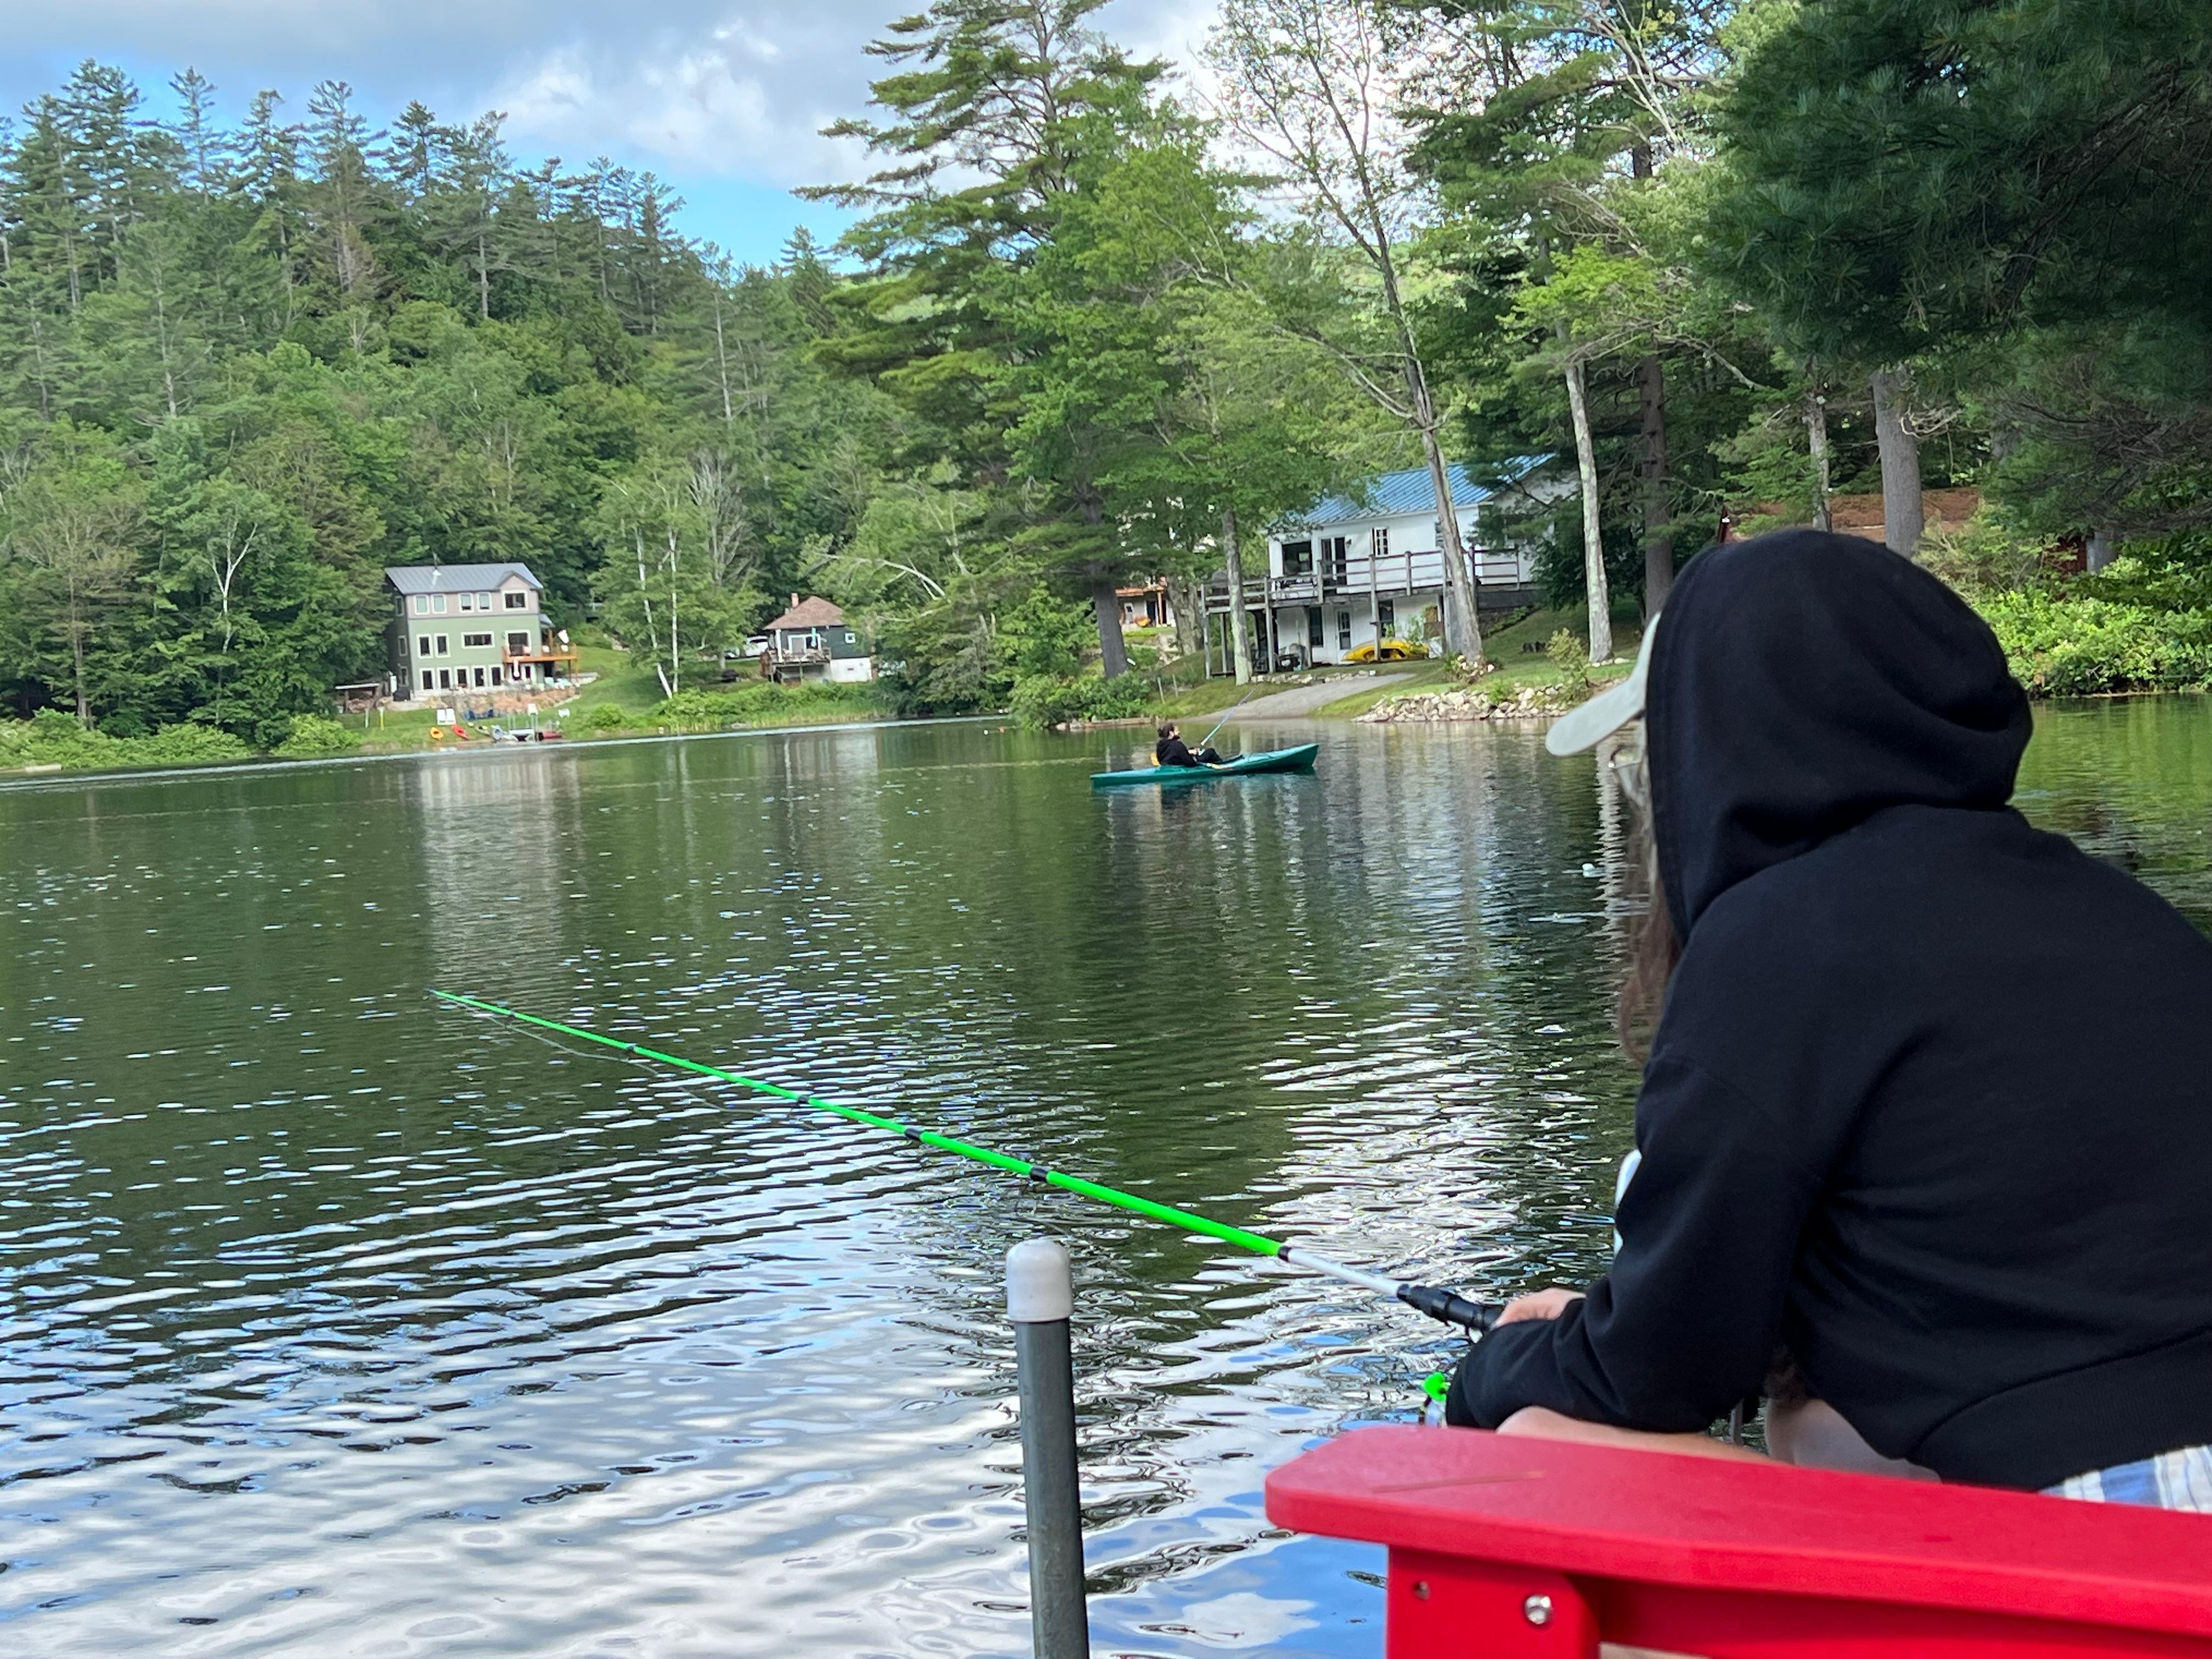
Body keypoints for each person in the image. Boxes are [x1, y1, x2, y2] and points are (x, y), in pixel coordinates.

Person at [1446, 529, 2212, 1509]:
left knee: (1535, 1437)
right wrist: (1595, 1327)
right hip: (2127, 1443)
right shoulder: (2118, 907)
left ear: (1724, 753)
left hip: (2126, 1538)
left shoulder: (1779, 941)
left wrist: (1504, 1363)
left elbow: (1656, 1372)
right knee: (1812, 1423)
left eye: (1650, 764)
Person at [1155, 723, 1223, 768]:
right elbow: (1191, 763)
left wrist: (1189, 752)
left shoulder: (1159, 745)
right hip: (1180, 766)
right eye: (1177, 731)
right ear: (1171, 733)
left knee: (1191, 749)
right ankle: (1222, 766)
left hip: (1169, 765)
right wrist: (1196, 755)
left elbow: (1165, 758)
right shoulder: (1178, 745)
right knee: (1211, 751)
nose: (1179, 732)